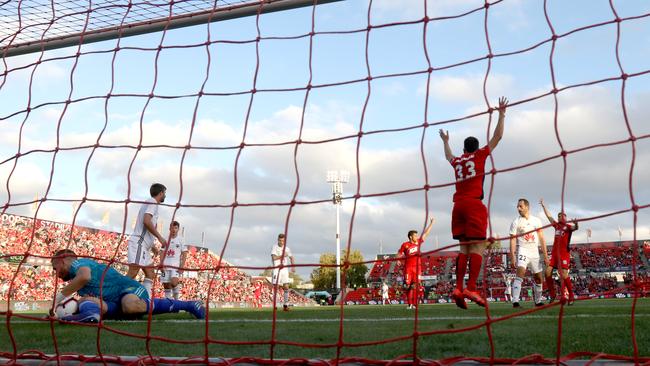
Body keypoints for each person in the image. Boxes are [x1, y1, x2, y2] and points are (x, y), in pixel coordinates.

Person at [439, 96, 508, 309]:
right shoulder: (480, 156)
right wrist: (502, 114)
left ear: (464, 148)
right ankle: (470, 287)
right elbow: (498, 136)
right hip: (473, 205)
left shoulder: (458, 161)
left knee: (464, 249)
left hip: (457, 206)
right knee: (478, 247)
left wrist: (445, 142)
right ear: (476, 148)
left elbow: (448, 156)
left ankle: (458, 288)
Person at [50, 249, 205, 322]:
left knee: (129, 306)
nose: (56, 273)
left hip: (128, 290)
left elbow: (85, 276)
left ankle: (190, 304)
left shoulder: (79, 263)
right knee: (84, 301)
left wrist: (56, 301)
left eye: (55, 268)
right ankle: (91, 316)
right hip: (113, 303)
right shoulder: (75, 280)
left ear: (62, 260)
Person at [126, 183, 168, 297]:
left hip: (144, 245)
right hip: (139, 243)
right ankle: (117, 296)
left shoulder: (151, 203)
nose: (165, 195)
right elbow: (146, 221)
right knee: (133, 272)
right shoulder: (153, 202)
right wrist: (160, 237)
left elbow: (146, 227)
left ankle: (147, 299)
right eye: (165, 193)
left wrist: (152, 246)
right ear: (160, 193)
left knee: (150, 273)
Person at [509, 198, 549, 308]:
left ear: (527, 207)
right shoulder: (516, 222)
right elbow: (512, 240)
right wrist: (512, 256)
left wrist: (545, 255)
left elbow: (542, 239)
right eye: (517, 206)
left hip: (534, 251)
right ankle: (515, 302)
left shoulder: (536, 221)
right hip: (523, 249)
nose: (518, 208)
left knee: (538, 278)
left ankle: (538, 301)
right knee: (520, 273)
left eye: (520, 206)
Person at [540, 198, 579, 305]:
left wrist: (577, 224)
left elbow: (576, 228)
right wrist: (544, 206)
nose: (560, 217)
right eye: (558, 216)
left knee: (564, 274)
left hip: (564, 254)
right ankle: (552, 295)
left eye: (562, 215)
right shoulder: (556, 226)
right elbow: (549, 216)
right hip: (554, 254)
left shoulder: (568, 227)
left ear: (565, 217)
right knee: (547, 273)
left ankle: (571, 295)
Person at [397, 217, 435, 309]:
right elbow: (399, 253)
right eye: (415, 236)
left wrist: (432, 223)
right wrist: (398, 259)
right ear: (411, 237)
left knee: (415, 286)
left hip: (417, 268)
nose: (417, 237)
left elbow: (426, 233)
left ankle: (413, 304)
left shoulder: (418, 242)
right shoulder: (405, 244)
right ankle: (409, 304)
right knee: (408, 286)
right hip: (408, 268)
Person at [160, 221, 187, 300]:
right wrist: (161, 264)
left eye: (176, 228)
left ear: (178, 229)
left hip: (175, 266)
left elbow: (184, 253)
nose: (174, 229)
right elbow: (161, 252)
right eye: (172, 227)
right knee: (166, 285)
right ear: (169, 228)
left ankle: (176, 299)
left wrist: (182, 266)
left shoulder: (181, 239)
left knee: (174, 282)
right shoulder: (165, 239)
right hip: (165, 265)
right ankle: (169, 303)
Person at [271, 233, 295, 311]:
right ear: (278, 240)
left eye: (283, 241)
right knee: (276, 287)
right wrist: (283, 255)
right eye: (280, 240)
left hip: (284, 269)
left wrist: (293, 266)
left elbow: (291, 257)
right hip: (277, 269)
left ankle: (285, 306)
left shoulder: (287, 248)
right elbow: (274, 258)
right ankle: (275, 304)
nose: (282, 242)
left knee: (286, 286)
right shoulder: (274, 247)